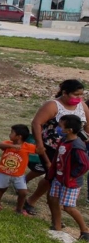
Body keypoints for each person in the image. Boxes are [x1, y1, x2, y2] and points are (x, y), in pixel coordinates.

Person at [23, 79, 89, 215]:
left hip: (72, 149)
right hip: (52, 149)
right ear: (65, 93)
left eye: (81, 95)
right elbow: (36, 123)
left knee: (54, 178)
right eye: (75, 95)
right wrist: (40, 145)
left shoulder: (82, 106)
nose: (79, 98)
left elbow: (87, 126)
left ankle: (32, 199)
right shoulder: (53, 106)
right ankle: (34, 203)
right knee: (52, 177)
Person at [46, 114, 89, 240]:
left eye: (61, 126)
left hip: (71, 182)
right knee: (53, 199)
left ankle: (85, 230)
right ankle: (57, 226)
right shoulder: (64, 140)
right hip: (59, 178)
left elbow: (85, 165)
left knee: (68, 207)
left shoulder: (77, 145)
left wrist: (72, 176)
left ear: (69, 130)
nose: (58, 128)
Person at [0, 124, 37, 213]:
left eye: (12, 132)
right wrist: (12, 146)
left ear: (19, 136)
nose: (10, 134)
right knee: (1, 190)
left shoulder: (27, 146)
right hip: (4, 173)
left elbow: (39, 150)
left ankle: (19, 209)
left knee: (23, 193)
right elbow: (0, 144)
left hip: (19, 175)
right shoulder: (8, 144)